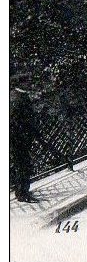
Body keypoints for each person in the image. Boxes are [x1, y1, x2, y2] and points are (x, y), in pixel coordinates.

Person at [10, 71, 39, 203]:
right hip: (19, 139)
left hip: (22, 138)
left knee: (23, 164)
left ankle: (23, 191)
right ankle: (22, 194)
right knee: (22, 165)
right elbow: (14, 122)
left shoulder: (19, 95)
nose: (30, 83)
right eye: (28, 81)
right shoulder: (16, 98)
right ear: (21, 83)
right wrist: (24, 137)